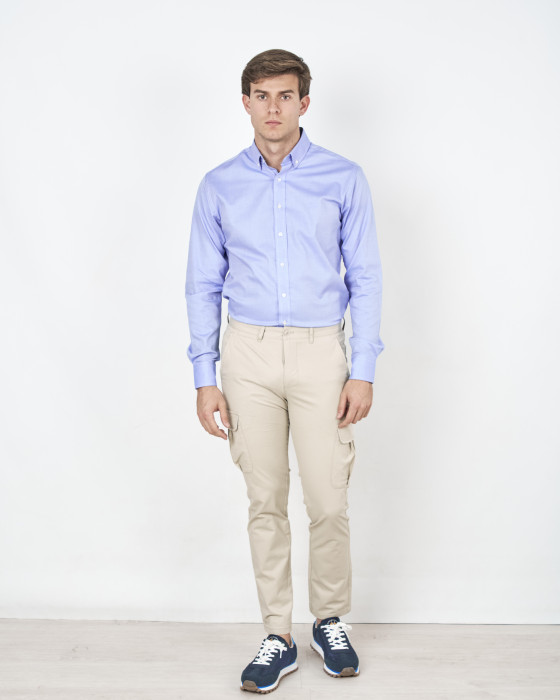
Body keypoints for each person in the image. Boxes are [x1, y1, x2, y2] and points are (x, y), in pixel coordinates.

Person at [185, 48, 384, 693]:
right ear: (246, 102)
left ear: (305, 102)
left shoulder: (343, 178)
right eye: (262, 96)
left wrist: (363, 367)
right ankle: (278, 633)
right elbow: (202, 285)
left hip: (323, 352)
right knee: (265, 500)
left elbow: (366, 276)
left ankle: (329, 619)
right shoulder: (219, 185)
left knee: (327, 497)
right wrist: (205, 376)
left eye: (285, 95)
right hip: (246, 354)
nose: (274, 108)